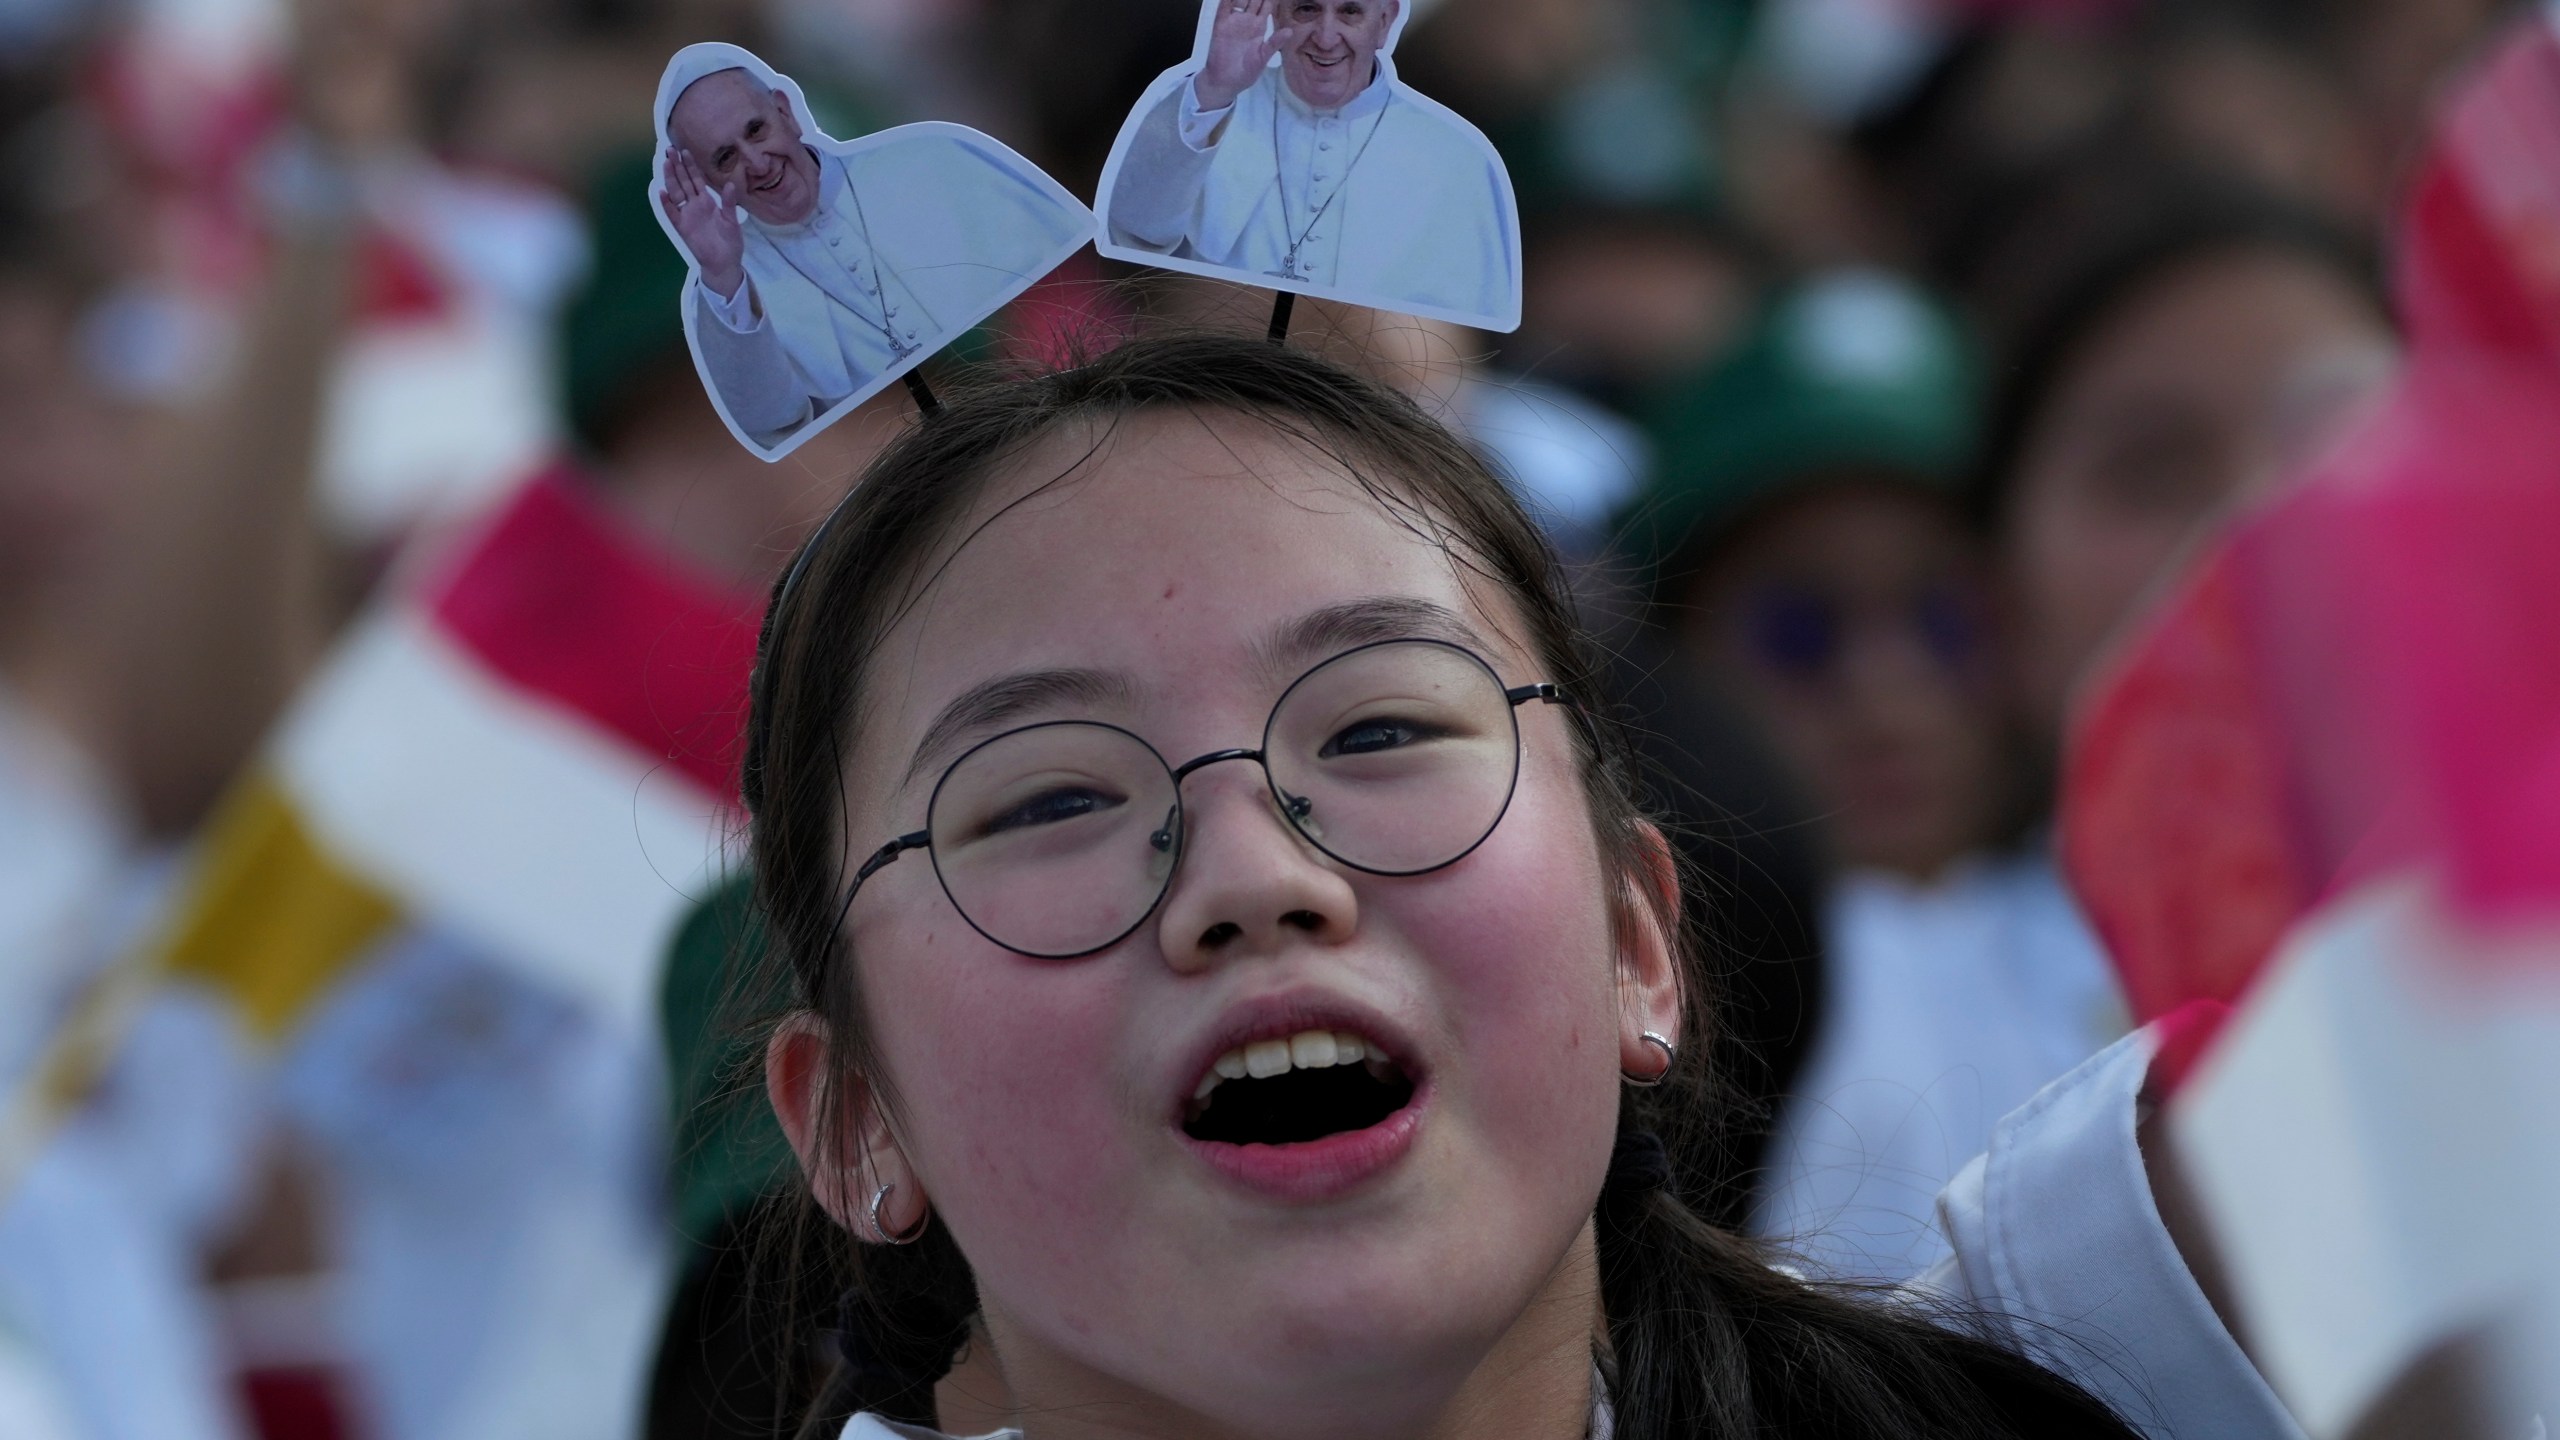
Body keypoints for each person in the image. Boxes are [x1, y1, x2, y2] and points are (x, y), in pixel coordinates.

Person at [737, 332, 2297, 1439]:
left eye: (1382, 724)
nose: (1254, 877)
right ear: (853, 1118)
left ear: (1637, 940)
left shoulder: (2126, 1363)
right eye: (1054, 797)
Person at [1627, 272, 2124, 1279]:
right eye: (1797, 632)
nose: (1885, 688)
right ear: (1676, 660)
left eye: (1946, 619)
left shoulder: (2147, 925)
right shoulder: (1648, 996)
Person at [655, 44, 1090, 454]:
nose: (758, 163)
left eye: (756, 129)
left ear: (785, 112)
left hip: (1054, 407)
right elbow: (775, 425)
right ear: (709, 181)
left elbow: (1062, 276)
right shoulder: (726, 289)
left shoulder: (931, 158)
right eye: (726, 158)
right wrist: (723, 275)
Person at [1101, 0, 1520, 328]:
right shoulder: (1210, 101)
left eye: (1350, 12)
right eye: (1306, 9)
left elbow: (1455, 340)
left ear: (1386, 20)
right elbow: (1136, 230)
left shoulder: (1457, 156)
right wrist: (1216, 88)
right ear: (1276, 15)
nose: (1325, 37)